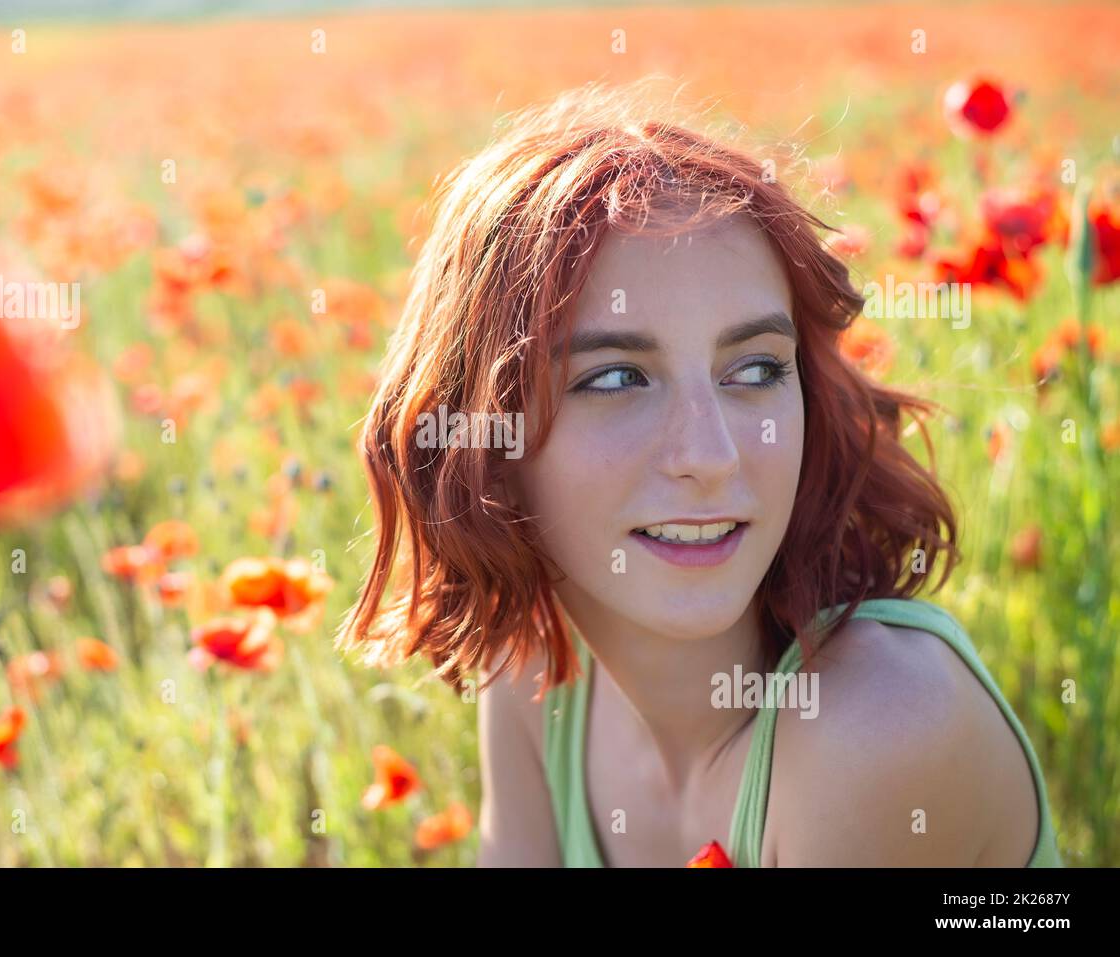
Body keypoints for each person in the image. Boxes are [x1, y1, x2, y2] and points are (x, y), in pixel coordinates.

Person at [334, 77, 1063, 867]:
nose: (711, 456)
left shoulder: (875, 733)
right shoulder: (537, 667)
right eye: (615, 378)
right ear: (487, 443)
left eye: (753, 368)